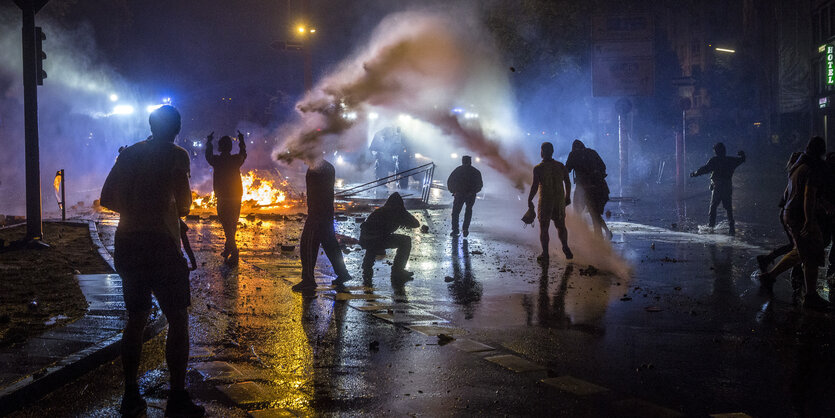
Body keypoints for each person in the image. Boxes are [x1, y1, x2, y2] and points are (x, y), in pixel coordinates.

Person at [100, 105, 204, 417]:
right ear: (177, 127)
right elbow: (184, 205)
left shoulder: (129, 154)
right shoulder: (177, 155)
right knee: (177, 319)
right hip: (160, 244)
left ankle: (130, 394)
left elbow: (106, 197)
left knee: (135, 319)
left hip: (128, 242)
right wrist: (163, 209)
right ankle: (176, 397)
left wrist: (136, 209)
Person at [767, 137, 831, 310]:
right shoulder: (813, 168)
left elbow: (793, 193)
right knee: (812, 255)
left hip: (790, 213)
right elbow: (808, 195)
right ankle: (810, 297)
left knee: (801, 252)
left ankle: (770, 276)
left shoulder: (798, 166)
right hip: (800, 216)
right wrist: (809, 220)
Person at [294, 157, 353, 293]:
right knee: (330, 244)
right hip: (326, 212)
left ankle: (308, 280)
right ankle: (342, 273)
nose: (304, 160)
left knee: (308, 245)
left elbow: (316, 194)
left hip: (317, 214)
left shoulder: (316, 169)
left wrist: (313, 211)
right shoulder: (328, 166)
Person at [527, 142, 573, 265]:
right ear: (552, 151)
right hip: (559, 200)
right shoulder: (560, 166)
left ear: (542, 151)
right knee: (561, 226)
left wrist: (529, 199)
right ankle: (565, 246)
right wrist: (567, 196)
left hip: (546, 201)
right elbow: (568, 183)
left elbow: (535, 186)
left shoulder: (538, 168)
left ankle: (545, 254)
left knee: (544, 228)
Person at [205, 131, 247, 264]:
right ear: (230, 147)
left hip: (223, 198)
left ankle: (234, 253)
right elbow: (243, 154)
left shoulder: (217, 160)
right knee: (232, 225)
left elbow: (208, 155)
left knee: (227, 226)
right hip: (235, 197)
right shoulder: (235, 160)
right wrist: (241, 140)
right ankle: (228, 248)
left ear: (220, 147)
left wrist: (209, 142)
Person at [360, 192, 420, 280]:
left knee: (374, 241)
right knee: (405, 241)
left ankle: (367, 267)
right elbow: (416, 224)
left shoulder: (380, 211)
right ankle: (398, 271)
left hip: (365, 239)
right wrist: (404, 214)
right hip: (376, 239)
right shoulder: (399, 212)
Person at [690, 142, 746, 235]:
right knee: (728, 207)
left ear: (716, 151)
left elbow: (705, 169)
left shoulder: (714, 160)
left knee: (713, 207)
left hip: (718, 186)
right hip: (727, 185)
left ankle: (711, 226)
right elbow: (741, 160)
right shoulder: (730, 160)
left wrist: (695, 173)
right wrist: (742, 155)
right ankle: (731, 226)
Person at [565, 139, 611, 238]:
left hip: (582, 189)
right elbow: (603, 166)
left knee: (577, 214)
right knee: (595, 214)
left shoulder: (573, 154)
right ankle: (600, 240)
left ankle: (575, 239)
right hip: (596, 188)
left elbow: (567, 170)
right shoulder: (592, 152)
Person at [447, 155, 483, 237]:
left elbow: (450, 181)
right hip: (470, 195)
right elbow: (480, 185)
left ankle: (455, 230)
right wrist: (473, 192)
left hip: (459, 194)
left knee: (455, 212)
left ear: (462, 161)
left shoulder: (458, 170)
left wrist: (453, 191)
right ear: (470, 161)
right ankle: (465, 229)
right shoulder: (476, 172)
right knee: (468, 211)